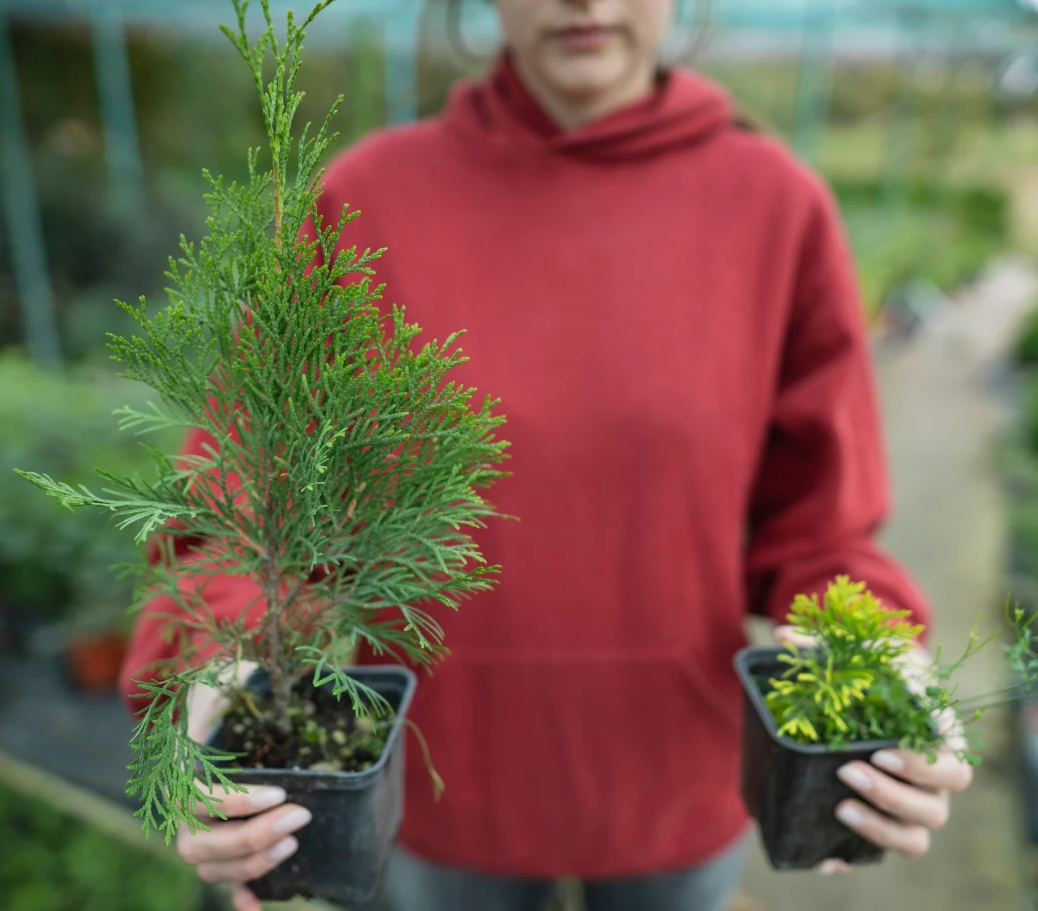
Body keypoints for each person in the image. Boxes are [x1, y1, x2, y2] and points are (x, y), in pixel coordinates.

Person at [122, 1, 974, 908]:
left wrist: (882, 663)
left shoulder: (773, 205)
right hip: (438, 776)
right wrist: (212, 667)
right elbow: (250, 494)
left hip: (673, 777)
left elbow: (822, 526)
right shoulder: (371, 196)